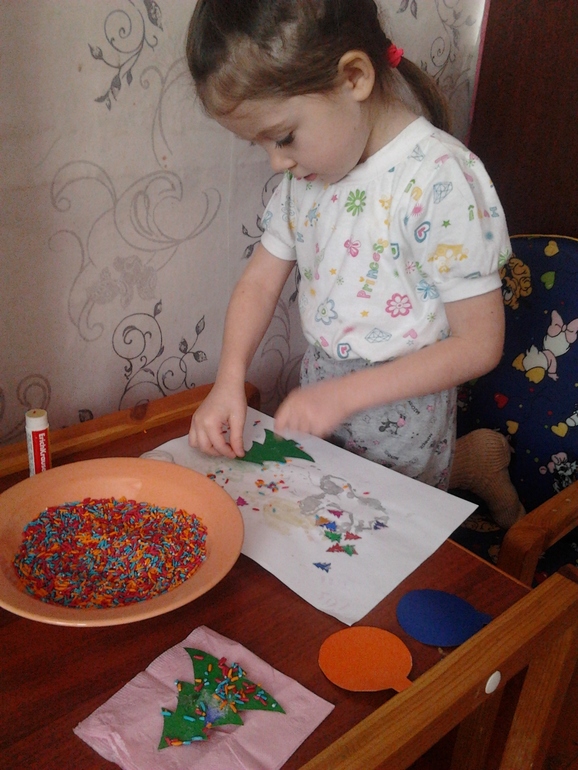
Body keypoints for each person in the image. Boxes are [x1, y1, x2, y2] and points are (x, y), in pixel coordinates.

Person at [185, 0, 509, 490]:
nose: (276, 163)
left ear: (354, 77)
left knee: (389, 525)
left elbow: (479, 344)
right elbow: (258, 284)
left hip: (404, 420)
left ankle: (473, 465)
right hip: (323, 393)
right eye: (260, 144)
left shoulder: (439, 179)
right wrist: (228, 380)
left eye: (284, 137)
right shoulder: (305, 180)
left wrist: (344, 396)